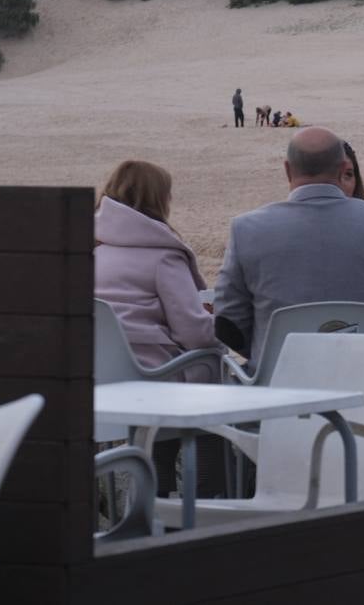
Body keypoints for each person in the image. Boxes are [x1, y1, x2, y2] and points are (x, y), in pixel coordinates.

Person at [213, 127, 364, 365]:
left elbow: (228, 322)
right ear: (343, 169)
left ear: (288, 170)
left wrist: (268, 350)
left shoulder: (246, 229)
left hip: (281, 388)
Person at [95, 160, 224, 495]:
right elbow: (193, 333)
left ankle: (151, 507)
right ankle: (209, 499)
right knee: (213, 369)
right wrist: (223, 322)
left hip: (102, 385)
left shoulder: (92, 252)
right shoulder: (163, 256)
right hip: (152, 383)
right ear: (158, 200)